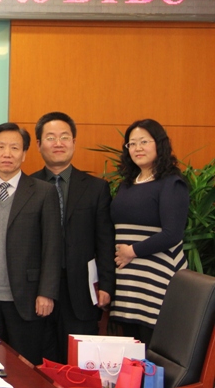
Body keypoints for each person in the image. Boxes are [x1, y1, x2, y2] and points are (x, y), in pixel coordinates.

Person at [0, 122, 61, 366]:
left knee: (25, 367)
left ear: (24, 154)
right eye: (1, 147)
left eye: (15, 148)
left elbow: (52, 246)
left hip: (27, 299)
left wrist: (46, 292)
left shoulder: (43, 192)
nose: (7, 153)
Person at [32, 112, 115, 362]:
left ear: (74, 142)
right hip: (36, 290)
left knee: (78, 364)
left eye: (64, 137)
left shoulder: (96, 188)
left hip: (81, 291)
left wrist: (106, 285)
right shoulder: (27, 186)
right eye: (50, 138)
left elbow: (104, 240)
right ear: (39, 144)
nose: (58, 143)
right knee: (40, 361)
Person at [110, 119, 189, 346]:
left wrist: (132, 251)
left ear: (159, 144)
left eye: (144, 142)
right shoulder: (127, 184)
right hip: (129, 281)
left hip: (156, 279)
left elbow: (172, 233)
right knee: (131, 351)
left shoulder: (172, 183)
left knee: (153, 350)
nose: (138, 148)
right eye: (132, 143)